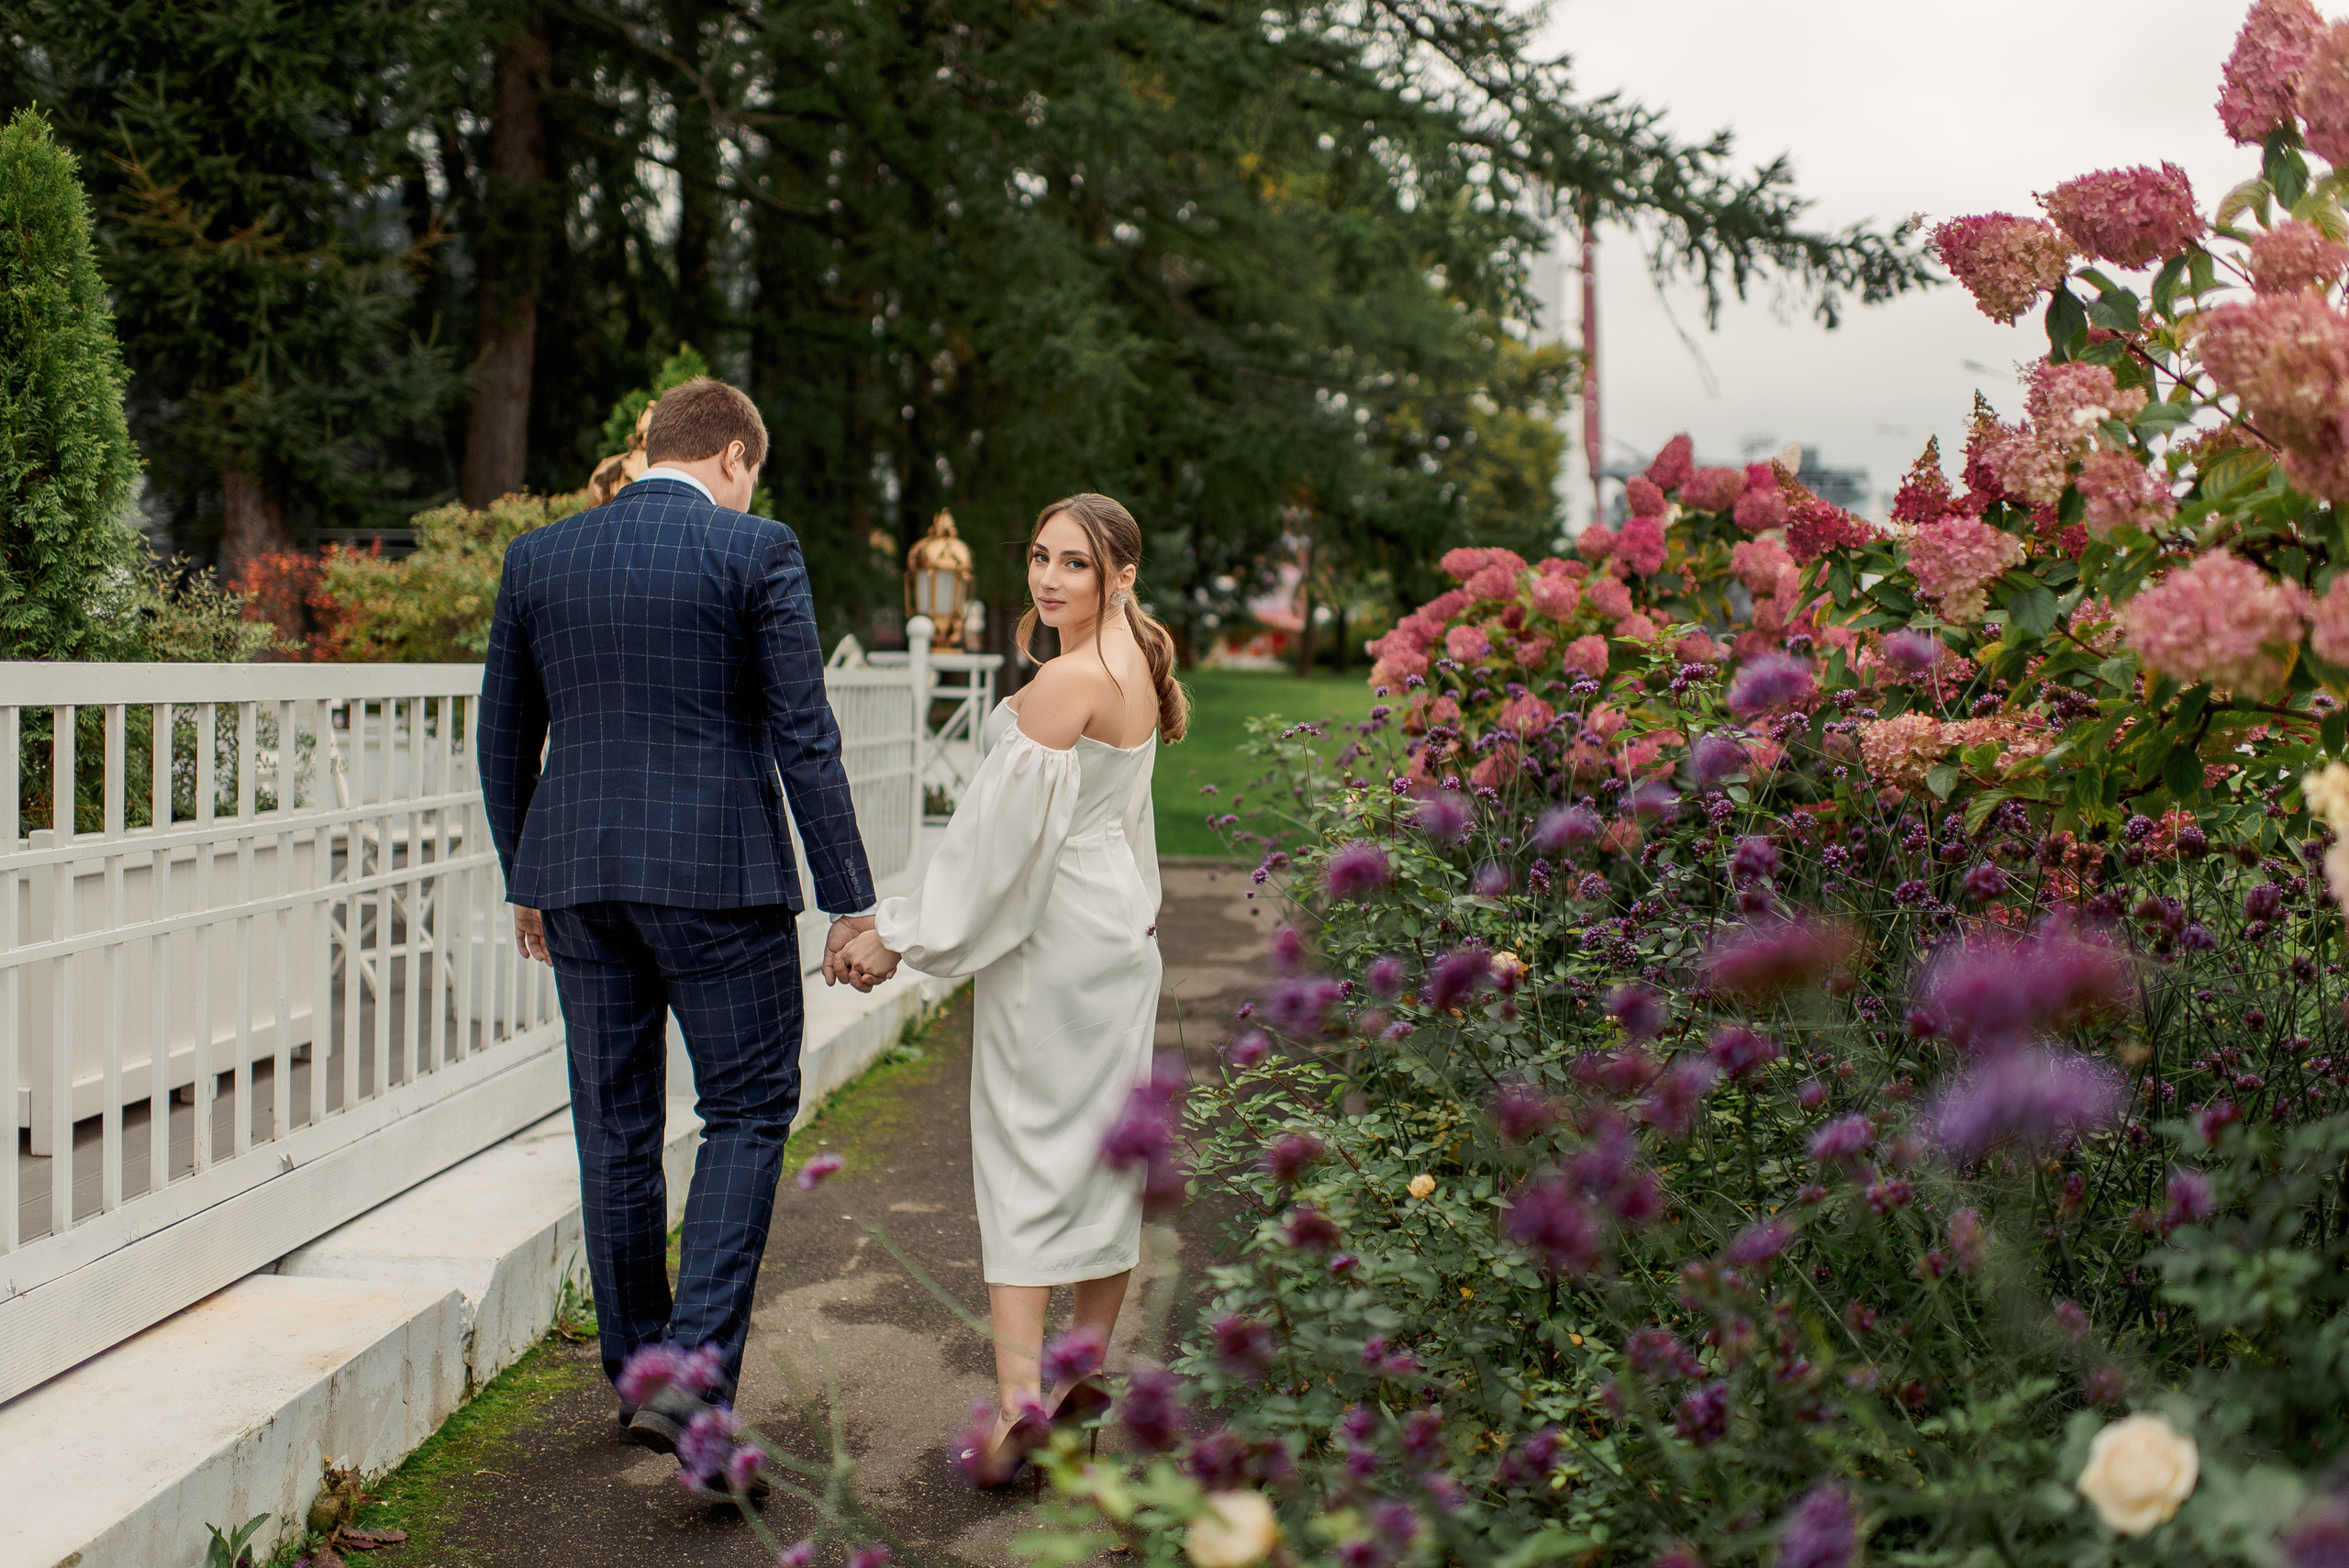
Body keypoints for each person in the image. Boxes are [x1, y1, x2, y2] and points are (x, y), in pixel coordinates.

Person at [476, 377, 882, 1476]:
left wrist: (528, 873)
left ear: (652, 445)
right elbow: (806, 732)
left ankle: (641, 1372)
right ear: (737, 455)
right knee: (747, 1107)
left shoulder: (540, 557)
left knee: (613, 1122)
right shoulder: (756, 552)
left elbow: (501, 734)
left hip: (577, 878)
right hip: (717, 877)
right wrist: (851, 895)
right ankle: (696, 1377)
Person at [835, 492, 1186, 1485]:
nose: (1046, 577)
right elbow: (1127, 828)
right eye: (1038, 556)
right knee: (1104, 1148)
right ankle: (1079, 1376)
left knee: (1025, 1151)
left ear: (1119, 575)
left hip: (1053, 938)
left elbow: (990, 855)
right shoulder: (1140, 666)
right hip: (1117, 936)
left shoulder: (1063, 683)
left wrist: (895, 934)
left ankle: (1019, 1404)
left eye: (1073, 562)